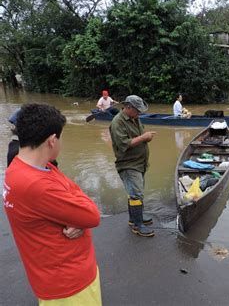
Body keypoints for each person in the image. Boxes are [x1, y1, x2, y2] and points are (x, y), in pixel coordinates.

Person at [3, 103, 102, 304]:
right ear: (52, 140)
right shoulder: (37, 185)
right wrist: (77, 207)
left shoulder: (23, 166)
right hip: (69, 285)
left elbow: (68, 188)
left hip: (53, 277)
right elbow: (92, 214)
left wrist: (73, 206)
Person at [109, 95, 156, 237]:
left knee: (136, 192)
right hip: (128, 164)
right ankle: (137, 225)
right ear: (128, 107)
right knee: (136, 194)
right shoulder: (117, 122)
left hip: (139, 162)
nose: (139, 113)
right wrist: (143, 137)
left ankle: (134, 218)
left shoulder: (135, 118)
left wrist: (144, 137)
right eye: (137, 110)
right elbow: (123, 143)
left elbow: (139, 134)